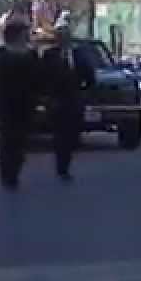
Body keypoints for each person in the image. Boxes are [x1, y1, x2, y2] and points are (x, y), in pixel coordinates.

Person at [0, 21, 41, 190]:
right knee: (7, 139)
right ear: (16, 35)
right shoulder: (1, 54)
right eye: (24, 33)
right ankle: (8, 175)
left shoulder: (30, 55)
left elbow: (38, 78)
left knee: (21, 140)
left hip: (25, 103)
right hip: (5, 103)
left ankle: (15, 170)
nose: (27, 36)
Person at [42, 21, 94, 182]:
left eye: (65, 36)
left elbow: (89, 77)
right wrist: (46, 97)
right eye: (60, 36)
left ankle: (66, 160)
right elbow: (41, 77)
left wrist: (84, 93)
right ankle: (61, 167)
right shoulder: (49, 55)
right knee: (59, 135)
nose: (63, 39)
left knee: (72, 135)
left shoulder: (79, 56)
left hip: (74, 101)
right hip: (57, 101)